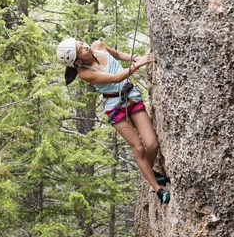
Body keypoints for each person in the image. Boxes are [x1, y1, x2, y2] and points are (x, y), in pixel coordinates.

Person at [56, 37, 170, 204]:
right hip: (115, 108)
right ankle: (157, 189)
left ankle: (149, 173)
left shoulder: (99, 45)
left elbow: (116, 54)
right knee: (138, 148)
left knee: (152, 144)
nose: (86, 46)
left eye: (81, 44)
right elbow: (116, 78)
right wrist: (138, 64)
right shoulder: (85, 73)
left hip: (131, 98)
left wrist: (134, 58)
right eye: (81, 49)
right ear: (78, 61)